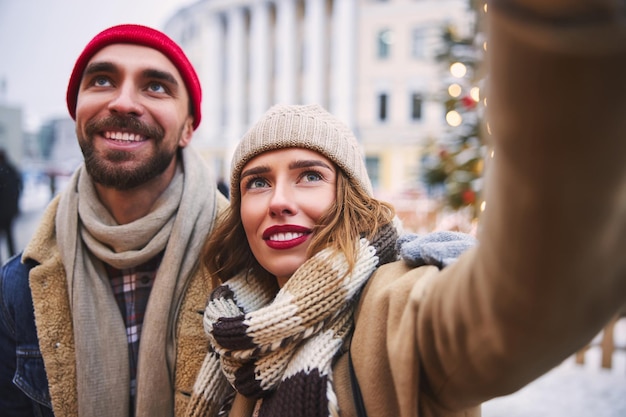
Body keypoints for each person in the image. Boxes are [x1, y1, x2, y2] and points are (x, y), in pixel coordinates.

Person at [184, 1, 626, 414]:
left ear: (350, 199)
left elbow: (525, 305)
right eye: (257, 182)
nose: (279, 201)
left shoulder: (395, 304)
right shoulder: (229, 329)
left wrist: (555, 27)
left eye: (311, 176)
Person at [0, 24, 228, 417]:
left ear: (189, 127)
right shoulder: (17, 288)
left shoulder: (243, 259)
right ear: (76, 114)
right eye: (103, 80)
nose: (123, 103)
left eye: (155, 86)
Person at [0, 149, 22, 263]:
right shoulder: (11, 169)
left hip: (2, 211)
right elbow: (19, 186)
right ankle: (12, 259)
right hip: (10, 210)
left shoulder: (3, 171)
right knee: (9, 236)